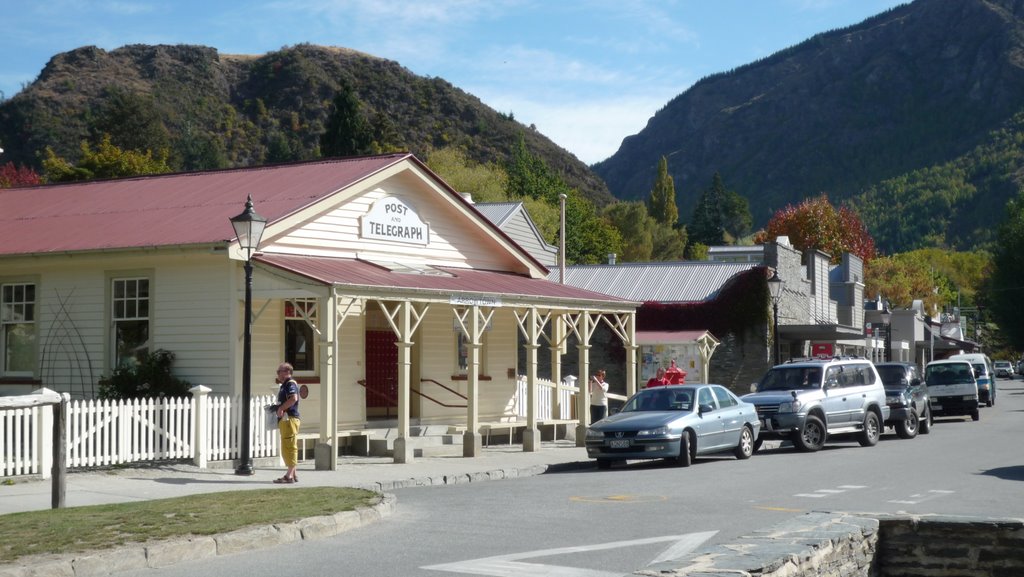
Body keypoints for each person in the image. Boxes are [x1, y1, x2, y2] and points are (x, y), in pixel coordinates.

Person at [273, 362, 301, 484]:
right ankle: (293, 474)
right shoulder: (284, 385)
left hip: (289, 419)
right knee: (287, 446)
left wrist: (281, 408)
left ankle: (289, 476)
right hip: (286, 420)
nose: (278, 374)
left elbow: (293, 398)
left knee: (290, 446)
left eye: (279, 371)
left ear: (287, 372)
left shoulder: (290, 383)